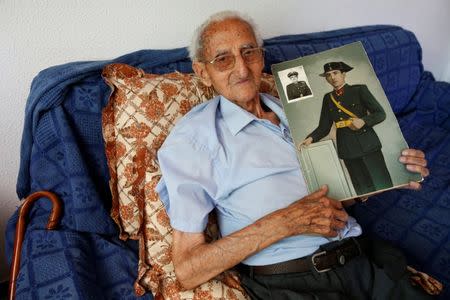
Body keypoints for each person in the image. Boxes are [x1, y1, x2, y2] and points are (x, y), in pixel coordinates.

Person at [155, 11, 432, 299]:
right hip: (293, 282)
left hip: (363, 263)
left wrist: (391, 173)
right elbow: (187, 270)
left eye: (248, 52)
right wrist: (286, 222)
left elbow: (332, 195)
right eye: (223, 59)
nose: (242, 69)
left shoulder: (294, 111)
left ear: (261, 57)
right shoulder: (195, 140)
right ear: (202, 72)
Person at [301, 62, 393, 195]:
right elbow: (324, 126)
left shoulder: (359, 90)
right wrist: (310, 138)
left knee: (381, 184)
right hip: (347, 148)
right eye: (328, 75)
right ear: (326, 79)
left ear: (344, 74)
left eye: (335, 73)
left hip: (367, 144)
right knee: (362, 190)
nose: (332, 77)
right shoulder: (328, 98)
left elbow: (380, 113)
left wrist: (364, 121)